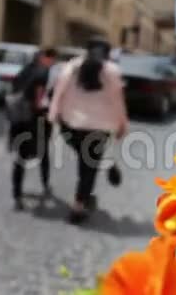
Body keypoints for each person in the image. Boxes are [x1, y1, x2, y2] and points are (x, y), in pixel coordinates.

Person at [48, 36, 129, 224]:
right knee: (88, 166)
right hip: (99, 128)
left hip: (71, 125)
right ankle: (78, 206)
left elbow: (58, 92)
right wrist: (122, 124)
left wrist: (53, 116)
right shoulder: (112, 71)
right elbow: (118, 101)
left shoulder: (71, 67)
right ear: (108, 53)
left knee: (85, 162)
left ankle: (83, 198)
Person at [8, 48, 58, 211]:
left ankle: (17, 195)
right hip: (35, 120)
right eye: (52, 59)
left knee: (20, 158)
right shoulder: (43, 73)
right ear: (46, 58)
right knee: (43, 153)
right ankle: (45, 184)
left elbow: (14, 89)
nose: (53, 63)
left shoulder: (24, 70)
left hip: (18, 117)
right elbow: (39, 101)